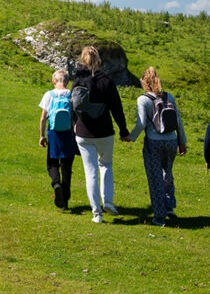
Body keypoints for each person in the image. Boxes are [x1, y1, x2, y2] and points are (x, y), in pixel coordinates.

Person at [71, 46, 130, 223]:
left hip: (83, 132)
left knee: (90, 173)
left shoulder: (78, 80)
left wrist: (74, 124)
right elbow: (117, 108)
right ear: (99, 60)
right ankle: (109, 202)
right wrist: (123, 130)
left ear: (82, 60)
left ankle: (97, 214)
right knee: (105, 165)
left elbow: (72, 104)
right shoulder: (107, 81)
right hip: (104, 132)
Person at [128, 67, 188, 227]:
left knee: (155, 177)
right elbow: (179, 121)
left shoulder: (144, 99)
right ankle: (169, 206)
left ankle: (159, 216)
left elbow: (141, 123)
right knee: (167, 172)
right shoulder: (169, 97)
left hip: (153, 141)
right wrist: (182, 141)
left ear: (143, 82)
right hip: (171, 140)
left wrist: (130, 137)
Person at [39, 69, 79, 211]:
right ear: (67, 82)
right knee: (67, 167)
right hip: (68, 134)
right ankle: (65, 202)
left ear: (53, 81)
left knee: (52, 163)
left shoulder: (49, 95)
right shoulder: (71, 95)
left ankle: (56, 184)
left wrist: (42, 135)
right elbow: (75, 118)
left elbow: (43, 117)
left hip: (54, 133)